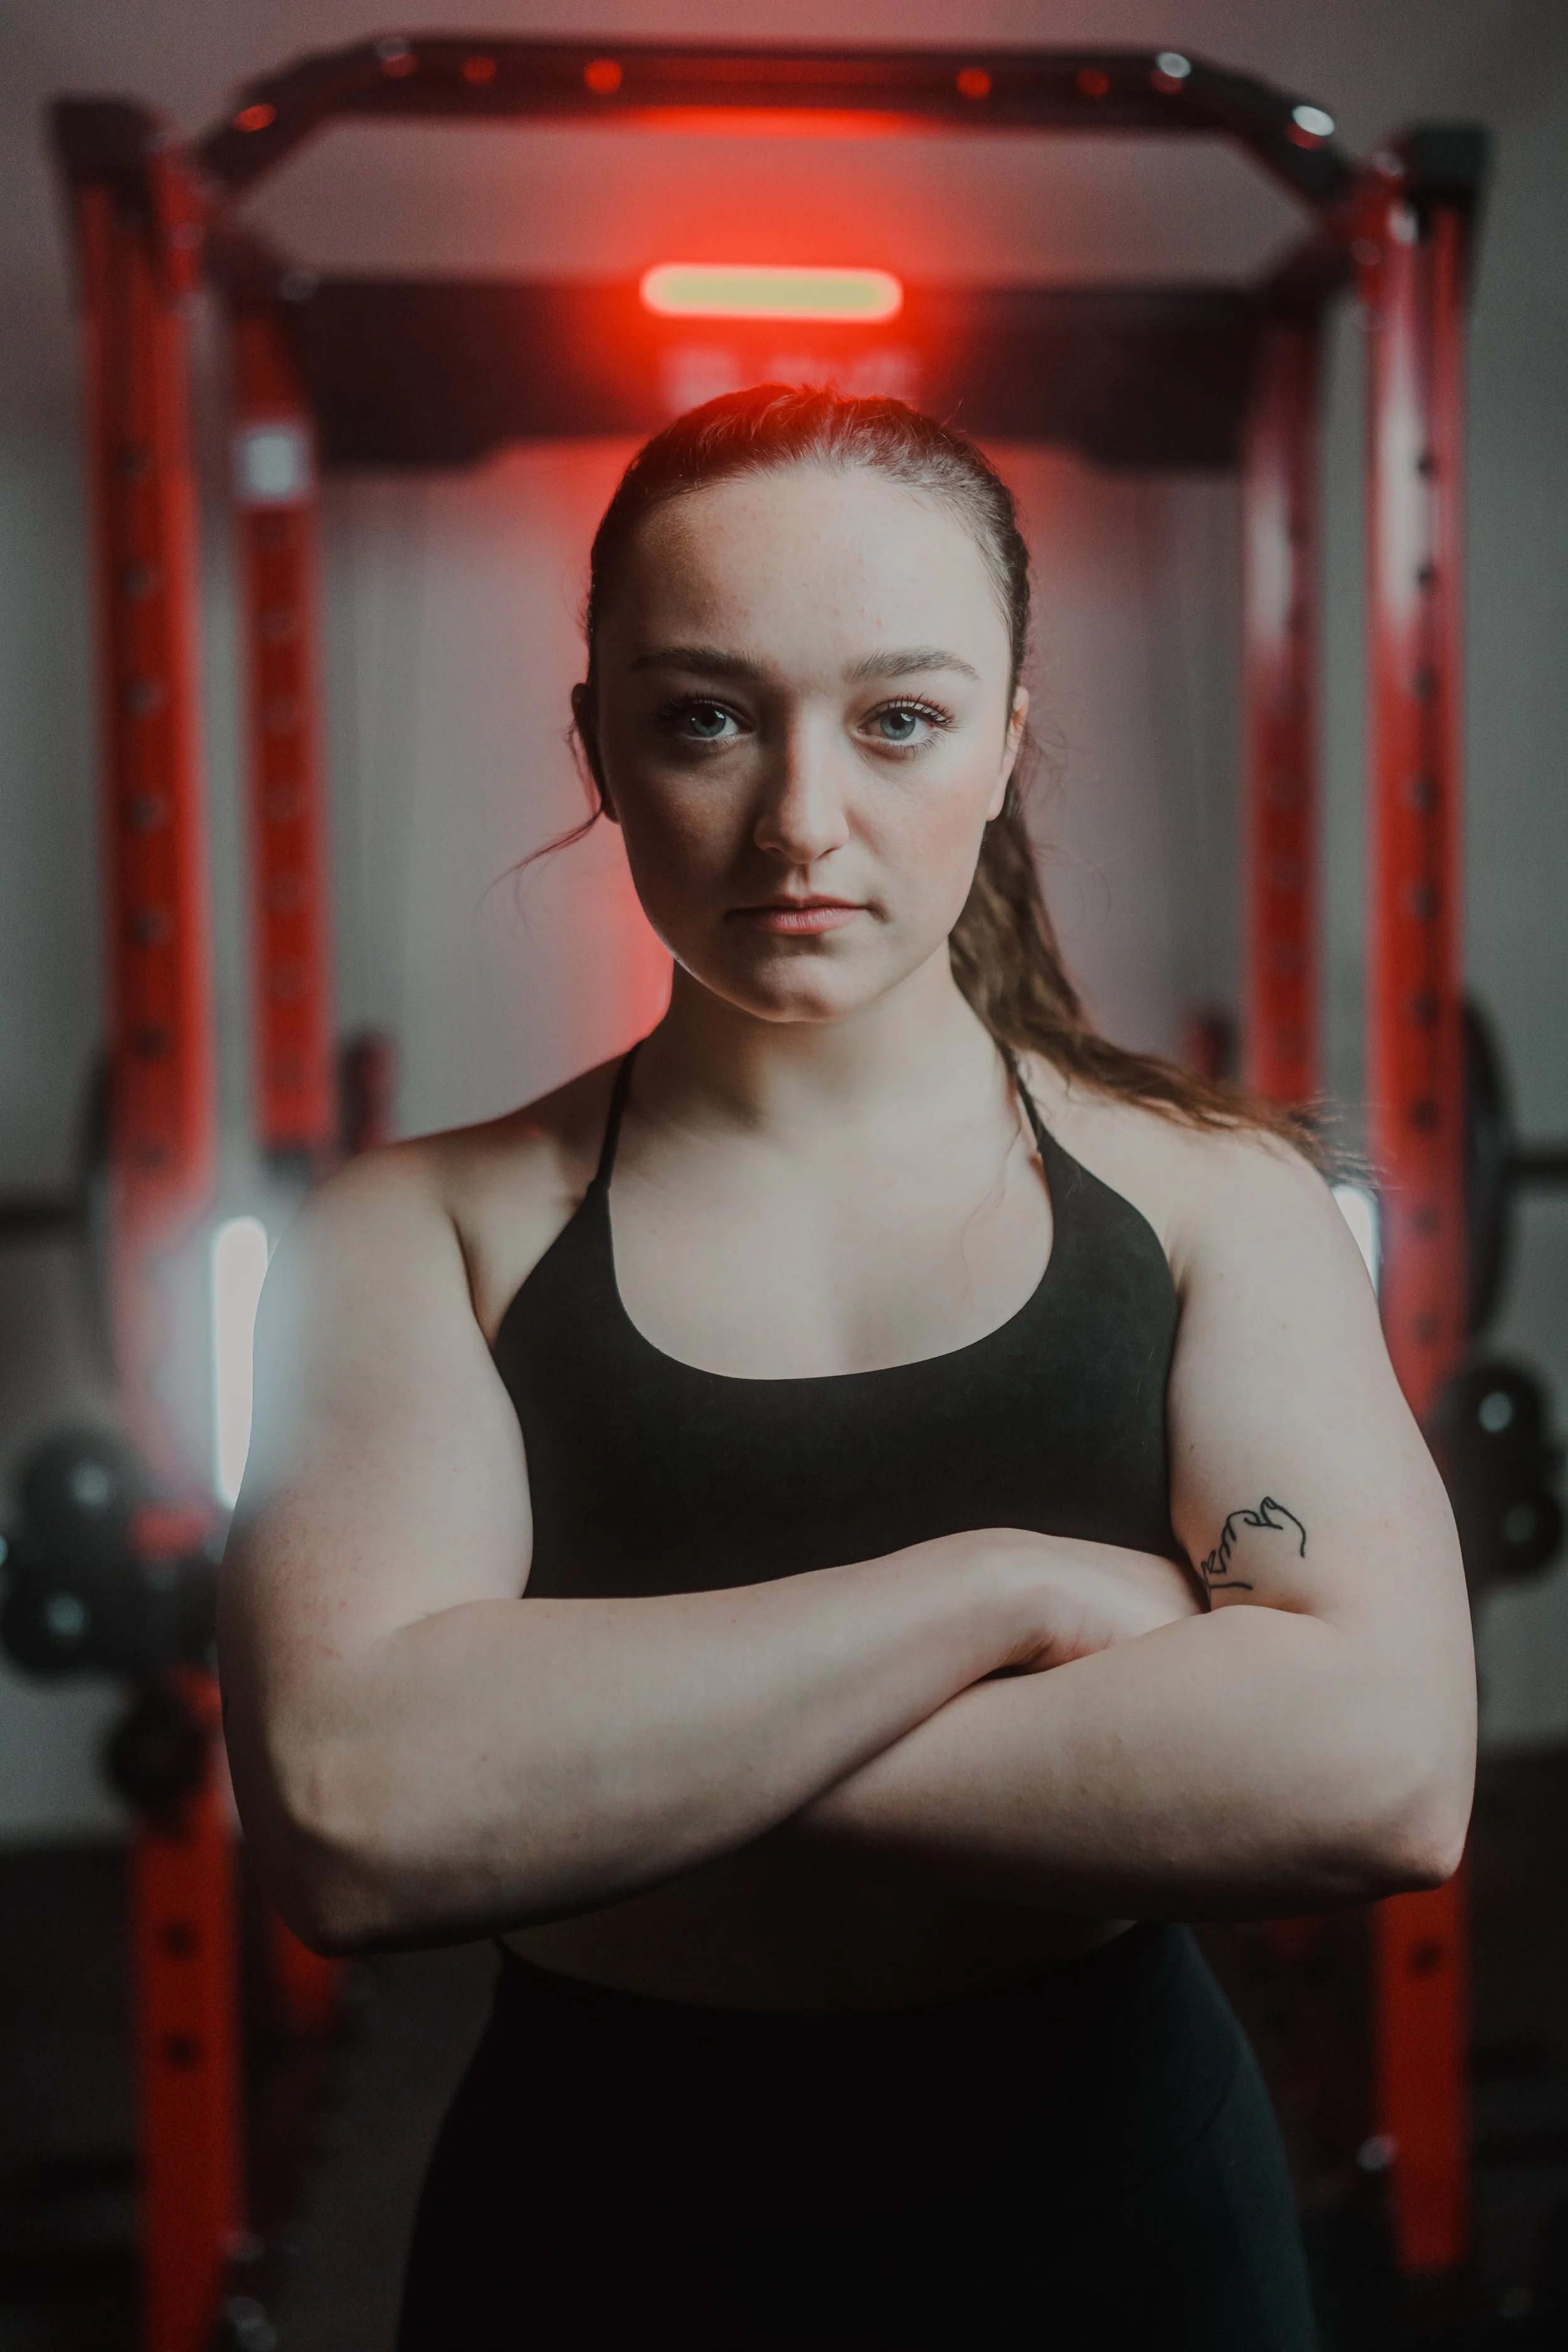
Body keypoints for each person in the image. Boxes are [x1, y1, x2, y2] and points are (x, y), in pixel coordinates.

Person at [218, 387, 1475, 2349]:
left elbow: (1380, 1770)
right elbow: (355, 1812)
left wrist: (598, 1758)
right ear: (599, 747)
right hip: (603, 2228)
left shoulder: (1214, 1198)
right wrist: (1004, 1590)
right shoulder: (420, 1229)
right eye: (705, 715)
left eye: (897, 716)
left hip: (1116, 2213)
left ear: (1004, 736)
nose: (803, 820)